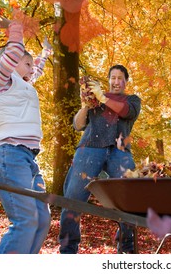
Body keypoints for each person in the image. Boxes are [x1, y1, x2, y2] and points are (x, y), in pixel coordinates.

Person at [0, 16, 51, 253]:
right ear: (7, 63)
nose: (32, 70)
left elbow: (36, 71)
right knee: (26, 221)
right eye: (26, 64)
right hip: (9, 156)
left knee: (41, 220)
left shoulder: (21, 83)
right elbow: (13, 53)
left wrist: (45, 53)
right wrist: (15, 27)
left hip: (27, 158)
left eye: (32, 66)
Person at [59, 64, 141, 254]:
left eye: (121, 78)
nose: (116, 81)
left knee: (130, 198)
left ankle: (127, 248)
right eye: (113, 77)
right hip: (89, 148)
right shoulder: (94, 100)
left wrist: (102, 97)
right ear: (109, 79)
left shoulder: (132, 100)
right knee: (73, 198)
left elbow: (127, 112)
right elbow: (78, 125)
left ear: (126, 82)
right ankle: (67, 250)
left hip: (119, 152)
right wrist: (85, 106)